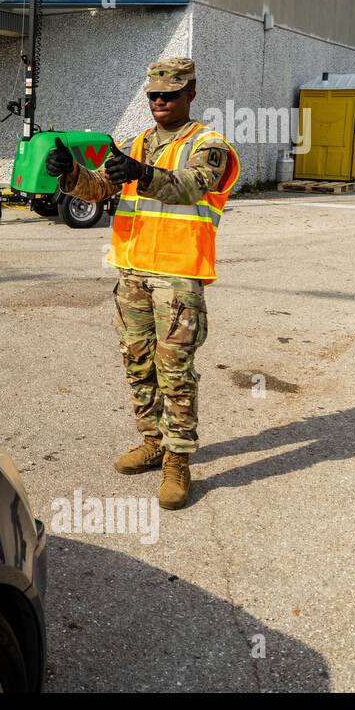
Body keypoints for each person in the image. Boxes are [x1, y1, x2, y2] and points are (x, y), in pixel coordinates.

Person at [45, 57, 240, 510]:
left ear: (190, 94)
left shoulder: (209, 144)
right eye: (152, 94)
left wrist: (142, 174)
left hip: (177, 276)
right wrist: (69, 172)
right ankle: (152, 441)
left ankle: (178, 459)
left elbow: (194, 186)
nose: (158, 101)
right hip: (132, 273)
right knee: (138, 363)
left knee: (174, 370)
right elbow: (98, 189)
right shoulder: (138, 143)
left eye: (169, 95)